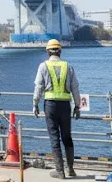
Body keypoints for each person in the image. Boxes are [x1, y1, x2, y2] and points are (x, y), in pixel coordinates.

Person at [32, 39, 81, 179]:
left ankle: (60, 172)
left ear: (47, 51)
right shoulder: (68, 66)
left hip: (50, 106)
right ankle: (71, 169)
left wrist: (35, 104)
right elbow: (75, 89)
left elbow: (39, 87)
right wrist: (77, 106)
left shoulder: (43, 66)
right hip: (65, 106)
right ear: (60, 51)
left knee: (54, 138)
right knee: (67, 137)